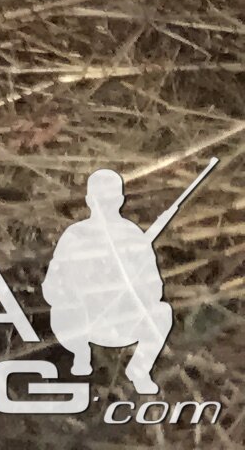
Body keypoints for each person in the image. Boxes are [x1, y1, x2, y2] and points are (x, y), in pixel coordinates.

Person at [45, 169, 175, 394]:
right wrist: (80, 291)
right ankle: (81, 355)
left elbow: (154, 287)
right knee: (61, 311)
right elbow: (52, 285)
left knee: (162, 313)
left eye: (109, 199)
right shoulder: (75, 236)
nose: (104, 205)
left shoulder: (133, 236)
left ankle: (140, 370)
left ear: (120, 200)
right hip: (83, 322)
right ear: (88, 201)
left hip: (122, 321)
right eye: (100, 199)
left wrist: (130, 285)